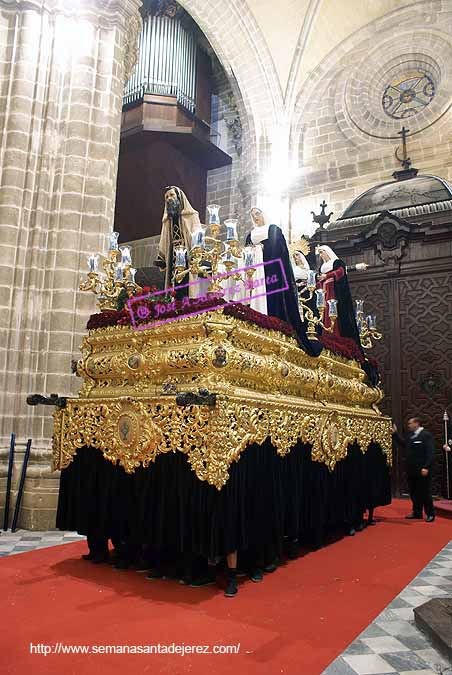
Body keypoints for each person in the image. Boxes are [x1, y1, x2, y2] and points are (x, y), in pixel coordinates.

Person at [245, 208, 322, 357]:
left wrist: (262, 249)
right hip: (254, 270)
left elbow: (278, 251)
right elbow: (246, 250)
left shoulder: (273, 229)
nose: (255, 217)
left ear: (263, 214)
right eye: (252, 215)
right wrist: (254, 251)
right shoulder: (251, 234)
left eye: (257, 213)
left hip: (271, 270)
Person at [155, 186, 203, 297]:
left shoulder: (191, 216)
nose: (169, 199)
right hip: (172, 256)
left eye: (172, 195)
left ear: (179, 198)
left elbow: (197, 234)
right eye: (166, 197)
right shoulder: (167, 221)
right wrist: (161, 258)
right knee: (173, 286)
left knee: (187, 285)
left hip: (188, 255)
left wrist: (197, 250)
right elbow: (164, 239)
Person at [316, 245, 361, 345]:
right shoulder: (322, 267)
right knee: (324, 313)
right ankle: (325, 335)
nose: (321, 255)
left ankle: (335, 335)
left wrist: (327, 276)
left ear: (327, 252)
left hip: (334, 291)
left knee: (334, 312)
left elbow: (340, 272)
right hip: (324, 291)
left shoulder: (337, 262)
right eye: (319, 253)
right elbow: (319, 280)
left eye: (322, 252)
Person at [393, 418, 436, 522]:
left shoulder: (426, 435)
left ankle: (430, 513)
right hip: (411, 470)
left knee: (425, 493)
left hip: (422, 470)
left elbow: (430, 453)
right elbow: (404, 444)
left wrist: (426, 467)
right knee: (414, 492)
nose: (408, 425)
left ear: (416, 423)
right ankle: (417, 512)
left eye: (410, 423)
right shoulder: (411, 435)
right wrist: (395, 434)